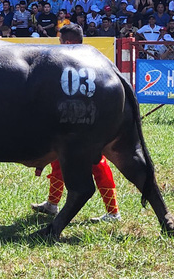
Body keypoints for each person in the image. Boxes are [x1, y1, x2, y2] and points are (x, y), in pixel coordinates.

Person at [31, 23, 121, 223]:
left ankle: (113, 212)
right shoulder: (90, 58)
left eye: (61, 42)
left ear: (69, 42)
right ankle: (52, 203)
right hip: (67, 122)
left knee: (97, 165)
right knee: (57, 161)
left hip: (85, 125)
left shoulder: (81, 62)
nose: (59, 45)